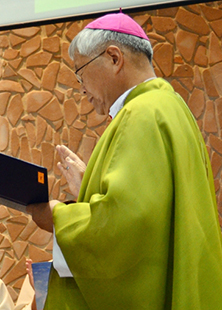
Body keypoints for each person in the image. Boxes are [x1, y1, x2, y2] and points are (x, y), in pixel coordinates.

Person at [26, 13, 222, 309]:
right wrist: (87, 193)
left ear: (114, 58)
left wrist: (58, 218)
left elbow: (129, 232)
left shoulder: (140, 115)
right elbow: (156, 216)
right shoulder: (169, 106)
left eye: (80, 73)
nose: (81, 88)